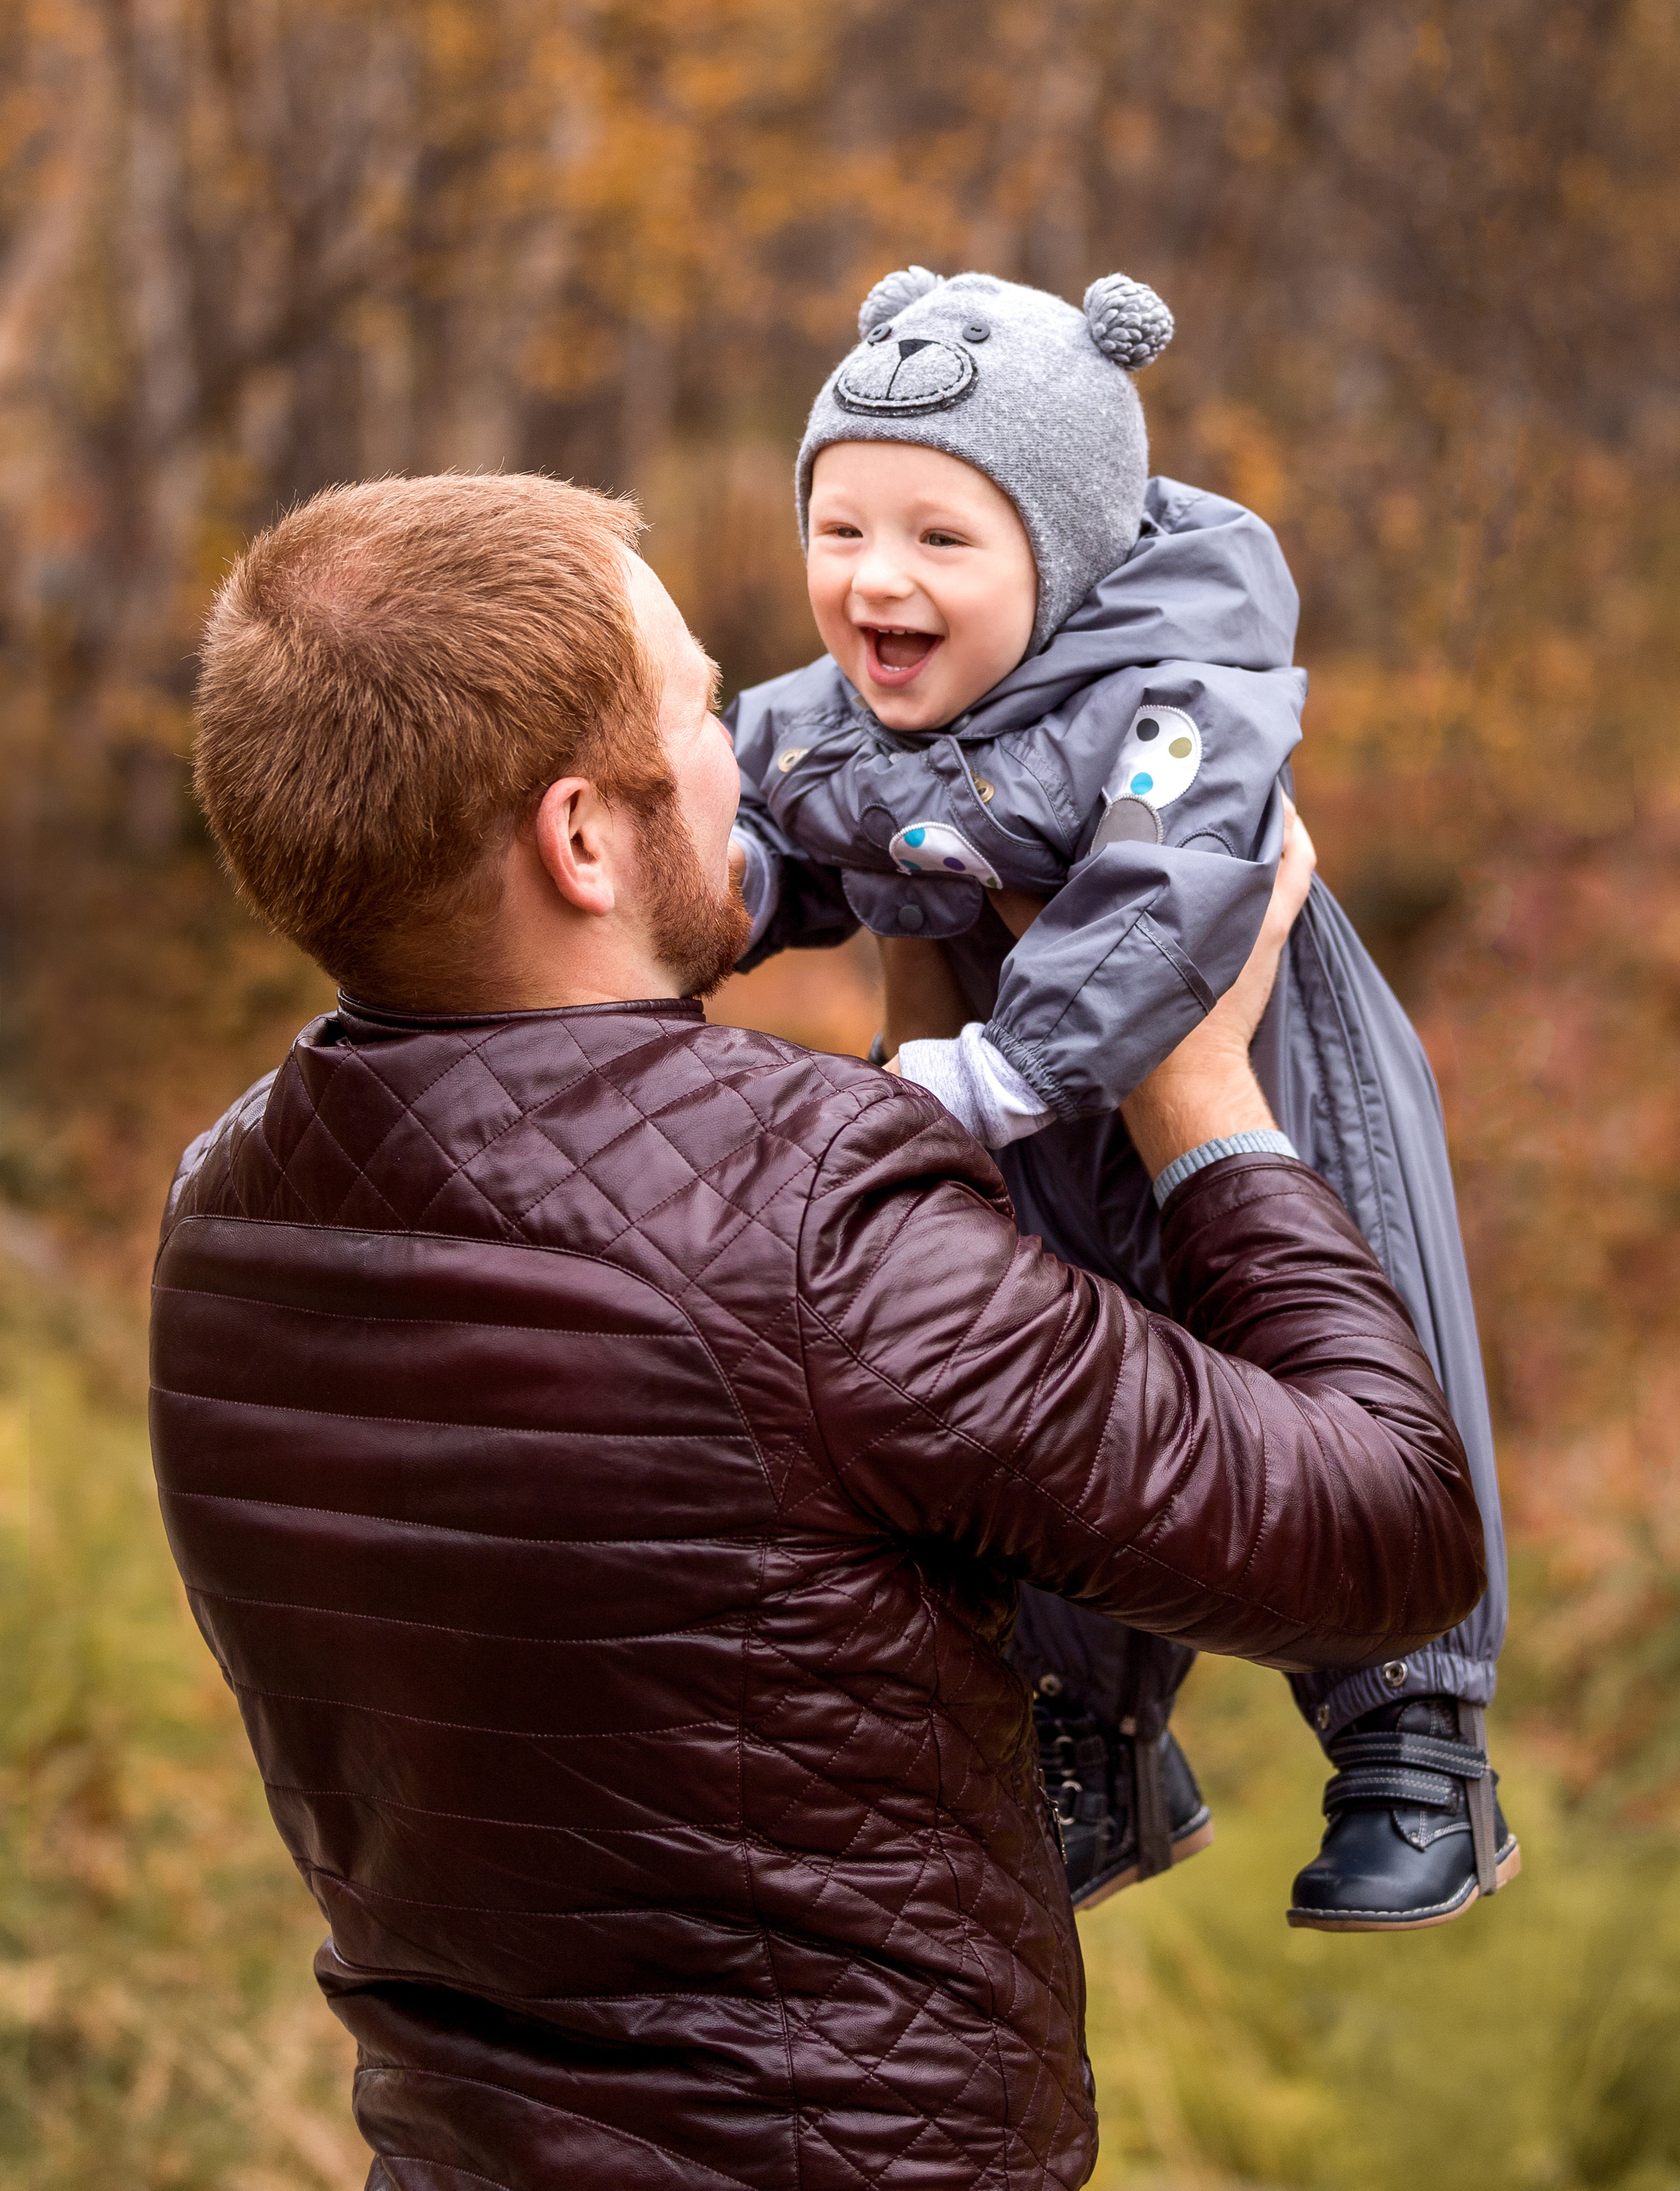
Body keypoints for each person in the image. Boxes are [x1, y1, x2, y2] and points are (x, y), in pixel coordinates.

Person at [154, 471, 1484, 2191]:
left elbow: (718, 1491)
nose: (759, 753)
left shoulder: (227, 1214)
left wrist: (924, 1064)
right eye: (708, 711)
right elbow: (1384, 1531)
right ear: (581, 839)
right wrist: (1202, 1099)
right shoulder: (806, 1219)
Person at [725, 264, 1515, 1930]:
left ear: (1063, 550)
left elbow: (1163, 892)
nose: (876, 580)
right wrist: (692, 903)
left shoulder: (1172, 707)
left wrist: (987, 1071)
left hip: (1260, 1101)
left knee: (1351, 1359)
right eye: (839, 530)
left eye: (943, 540)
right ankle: (1097, 1737)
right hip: (1026, 1137)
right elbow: (753, 822)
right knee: (1028, 1408)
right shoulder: (831, 722)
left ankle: (1414, 1735)